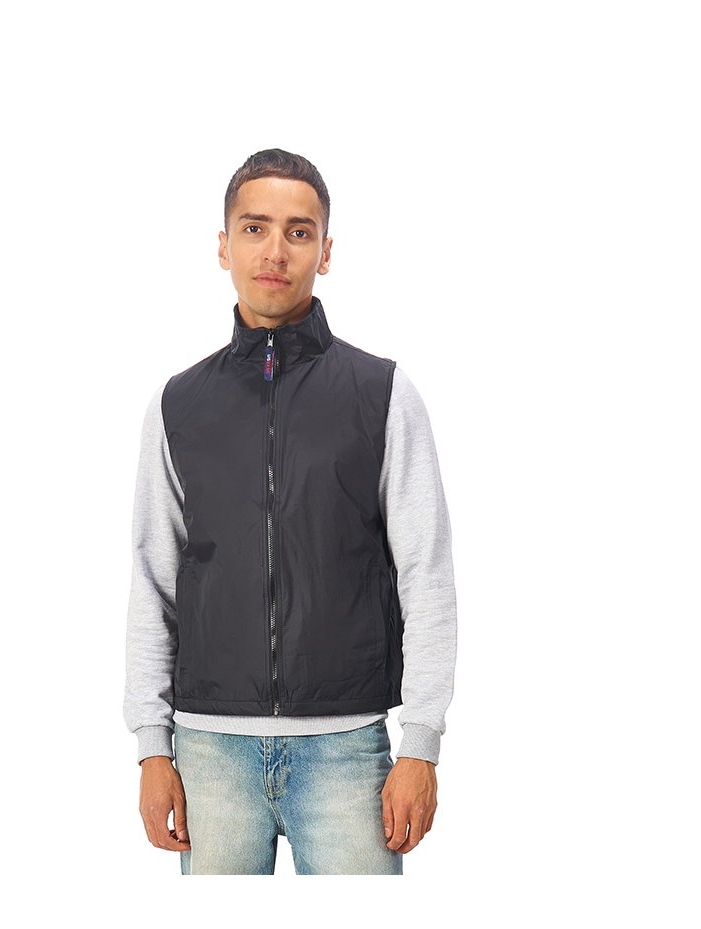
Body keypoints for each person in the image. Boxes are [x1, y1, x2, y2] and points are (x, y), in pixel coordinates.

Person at [123, 149, 457, 875]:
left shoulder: (382, 394)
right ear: (224, 245)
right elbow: (154, 581)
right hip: (209, 752)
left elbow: (425, 575)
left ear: (325, 252)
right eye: (255, 228)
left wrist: (421, 746)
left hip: (348, 751)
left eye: (299, 232)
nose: (275, 251)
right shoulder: (178, 404)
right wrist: (152, 748)